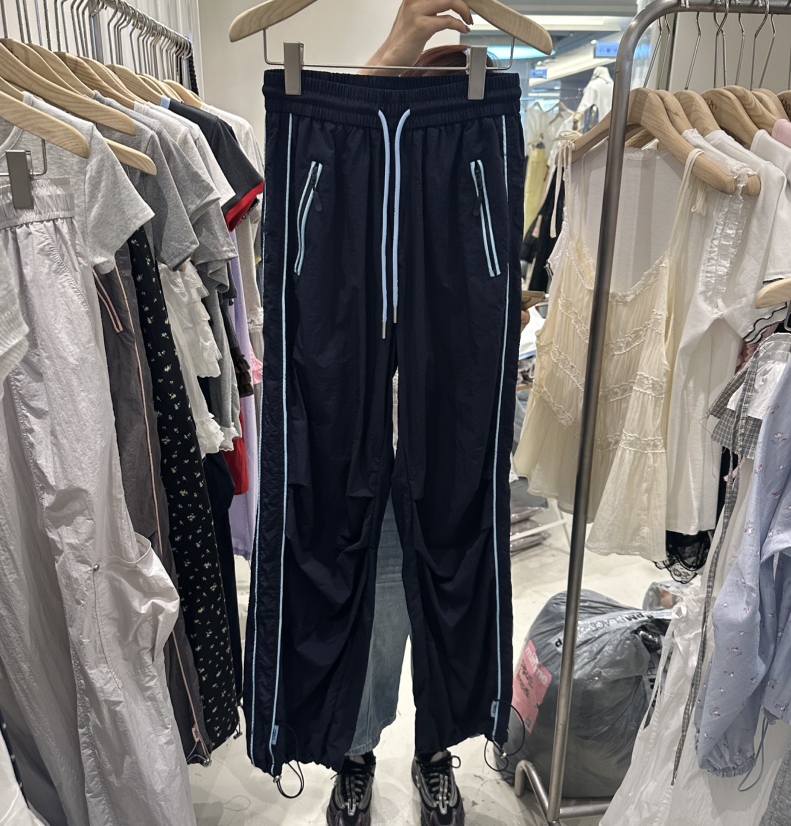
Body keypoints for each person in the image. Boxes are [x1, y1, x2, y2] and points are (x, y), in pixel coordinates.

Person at [324, 3, 530, 825]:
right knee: (380, 606)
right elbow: (333, 143)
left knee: (452, 589)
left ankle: (434, 749)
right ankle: (357, 752)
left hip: (449, 429)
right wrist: (398, 47)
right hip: (367, 434)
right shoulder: (367, 183)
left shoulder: (476, 186)